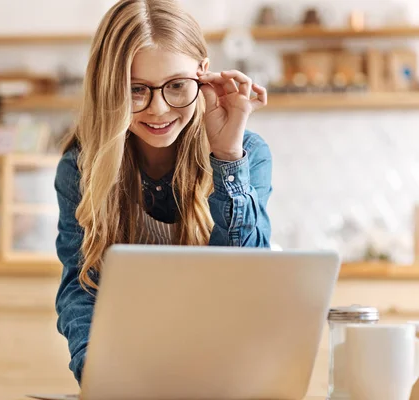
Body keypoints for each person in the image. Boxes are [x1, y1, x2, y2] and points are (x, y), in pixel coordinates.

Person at [54, 0, 272, 384]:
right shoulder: (81, 167)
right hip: (126, 371)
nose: (158, 109)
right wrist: (96, 373)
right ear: (109, 88)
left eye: (176, 86)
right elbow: (82, 286)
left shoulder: (246, 154)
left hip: (226, 371)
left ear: (203, 75)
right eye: (136, 90)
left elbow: (246, 281)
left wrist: (226, 156)